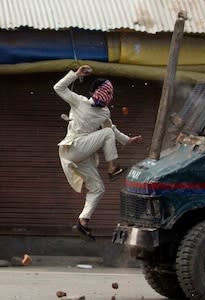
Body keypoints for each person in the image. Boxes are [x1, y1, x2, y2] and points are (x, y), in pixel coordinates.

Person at [54, 65, 143, 241]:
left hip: (83, 154)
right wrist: (76, 74)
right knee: (106, 134)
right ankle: (112, 168)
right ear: (94, 91)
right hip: (72, 147)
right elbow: (58, 87)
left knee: (98, 188)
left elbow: (111, 129)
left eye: (109, 93)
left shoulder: (104, 111)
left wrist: (127, 140)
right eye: (104, 91)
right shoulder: (79, 101)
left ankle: (82, 223)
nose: (107, 96)